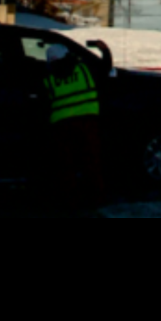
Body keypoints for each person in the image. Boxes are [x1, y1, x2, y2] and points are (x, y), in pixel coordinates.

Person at [43, 44, 104, 206]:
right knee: (91, 162)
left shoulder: (48, 79)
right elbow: (105, 68)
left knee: (66, 166)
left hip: (61, 127)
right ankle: (95, 197)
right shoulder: (85, 70)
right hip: (88, 123)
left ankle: (70, 199)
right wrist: (103, 49)